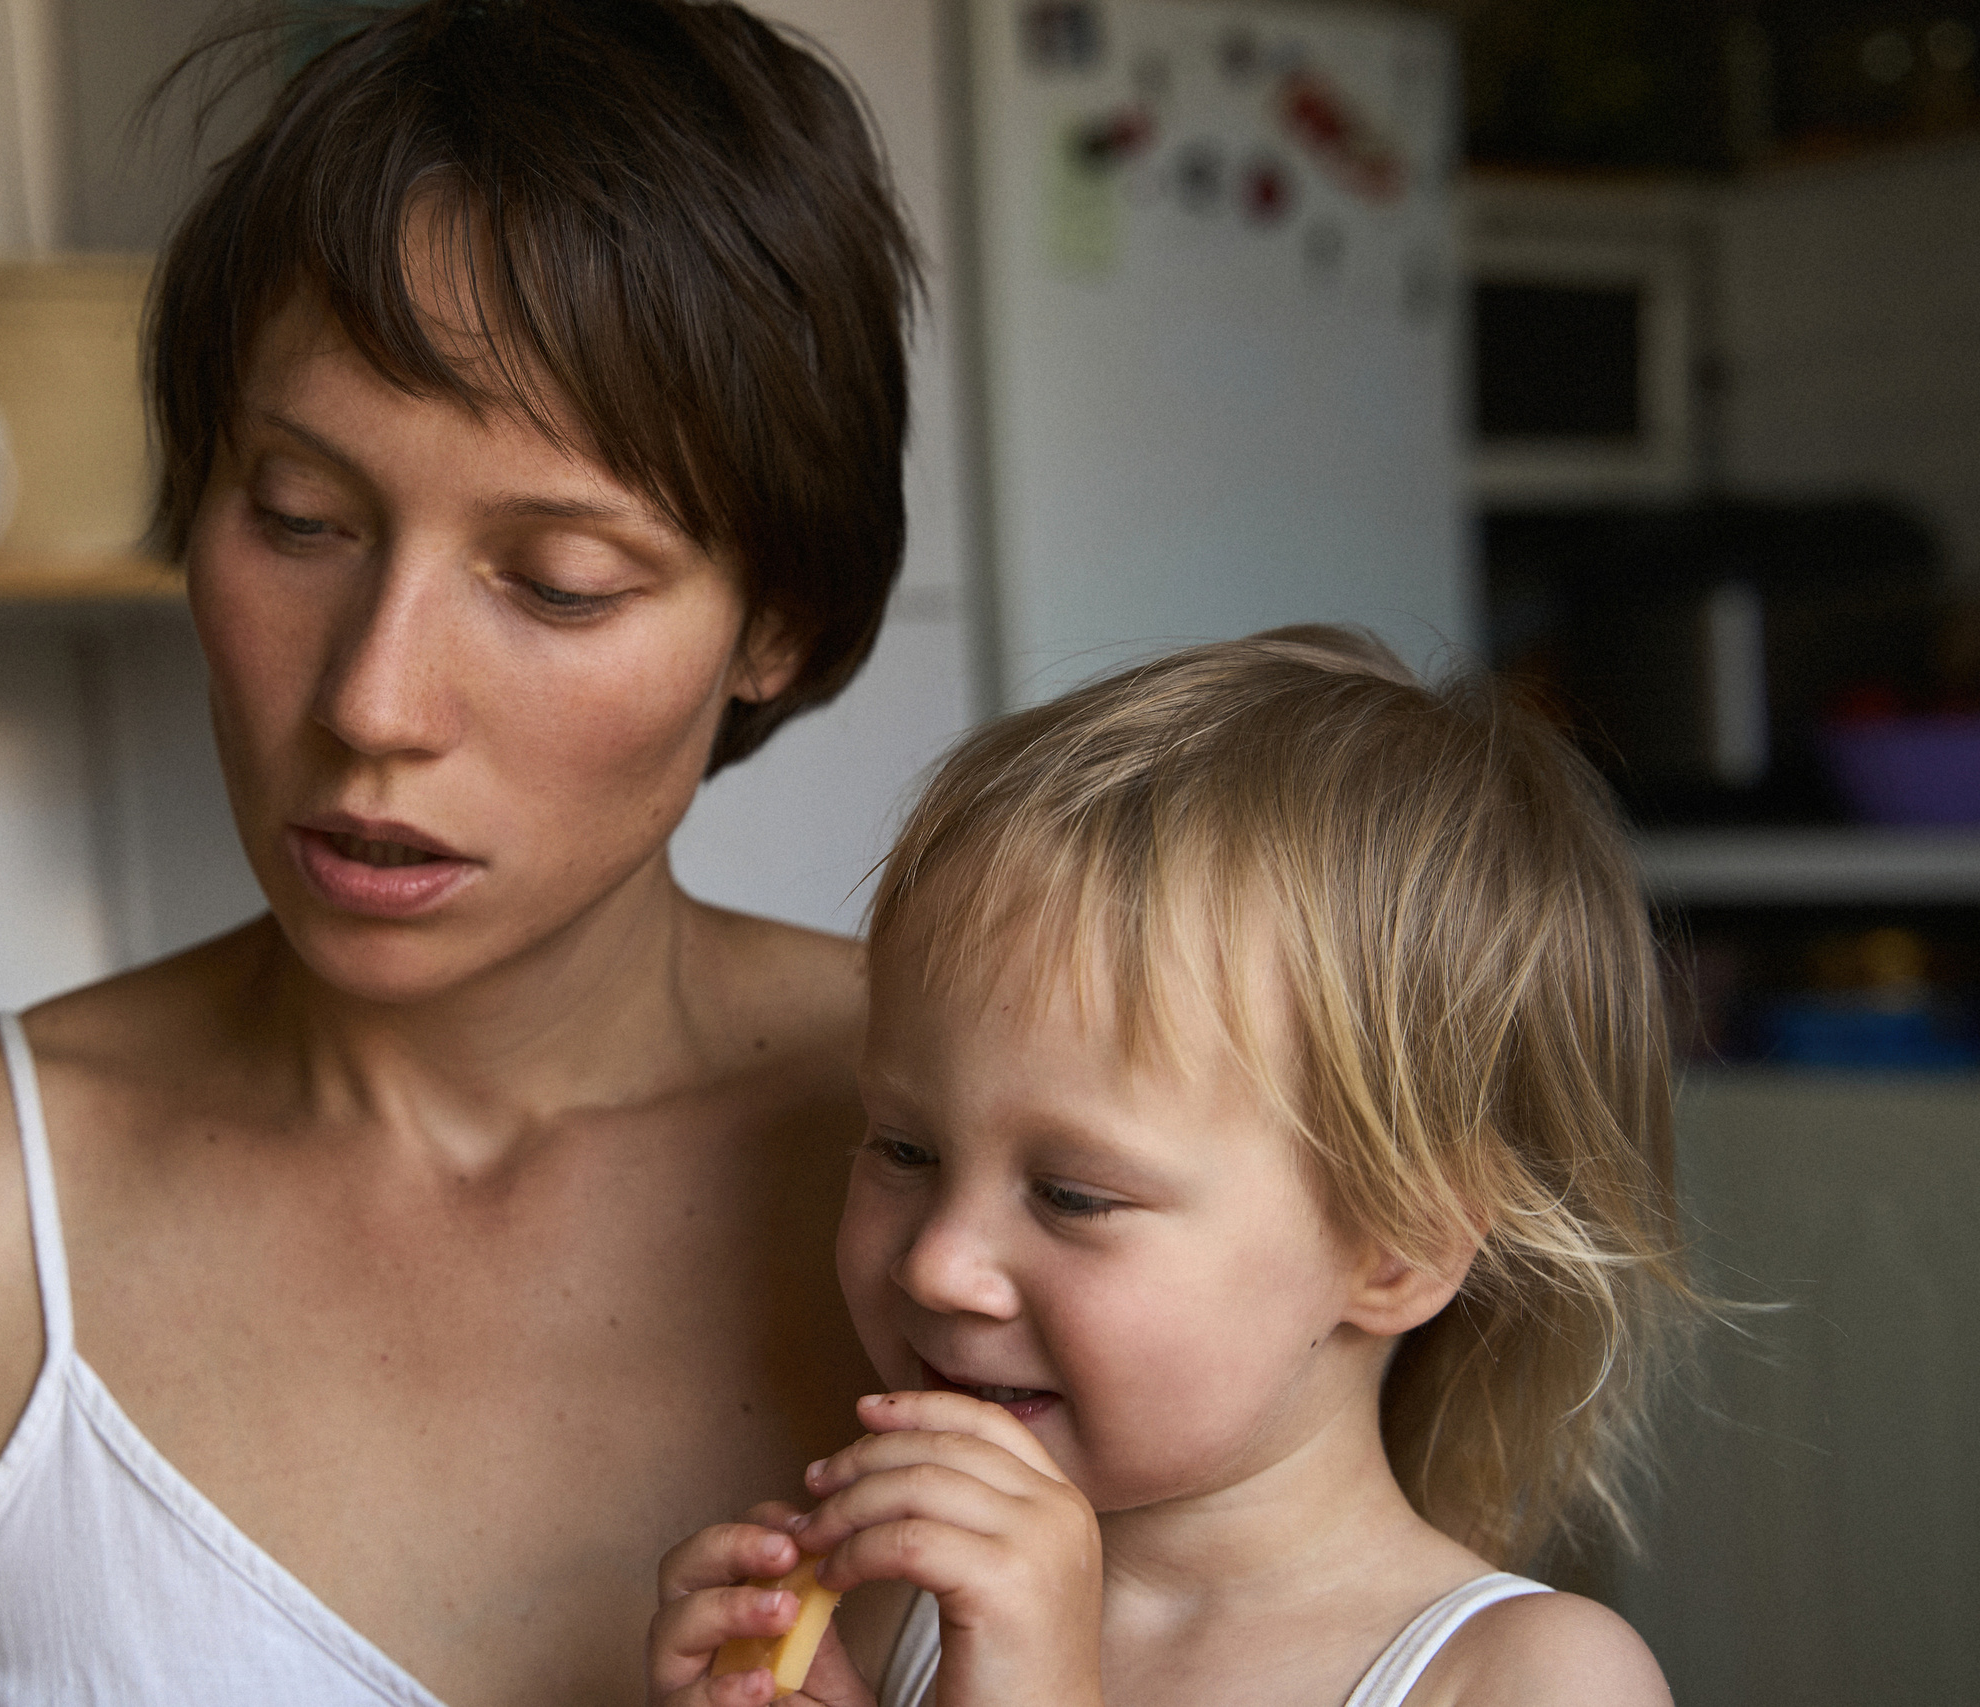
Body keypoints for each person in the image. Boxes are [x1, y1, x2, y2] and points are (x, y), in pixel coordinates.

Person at [0, 3, 921, 1701]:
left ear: (780, 622)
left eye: (558, 580)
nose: (373, 700)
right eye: (298, 519)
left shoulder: (1031, 1165)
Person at [651, 627, 1701, 1707]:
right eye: (905, 1149)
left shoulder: (1529, 1678)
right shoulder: (891, 1605)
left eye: (1072, 1196)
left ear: (1402, 1248)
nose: (937, 1265)